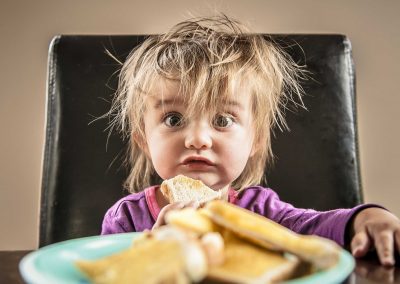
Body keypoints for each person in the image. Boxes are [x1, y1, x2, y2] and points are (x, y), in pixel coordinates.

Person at [101, 15, 400, 266]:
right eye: (174, 119)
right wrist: (156, 250)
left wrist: (364, 218)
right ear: (142, 137)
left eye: (223, 120)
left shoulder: (261, 211)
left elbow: (315, 229)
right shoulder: (125, 219)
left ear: (255, 139)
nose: (197, 139)